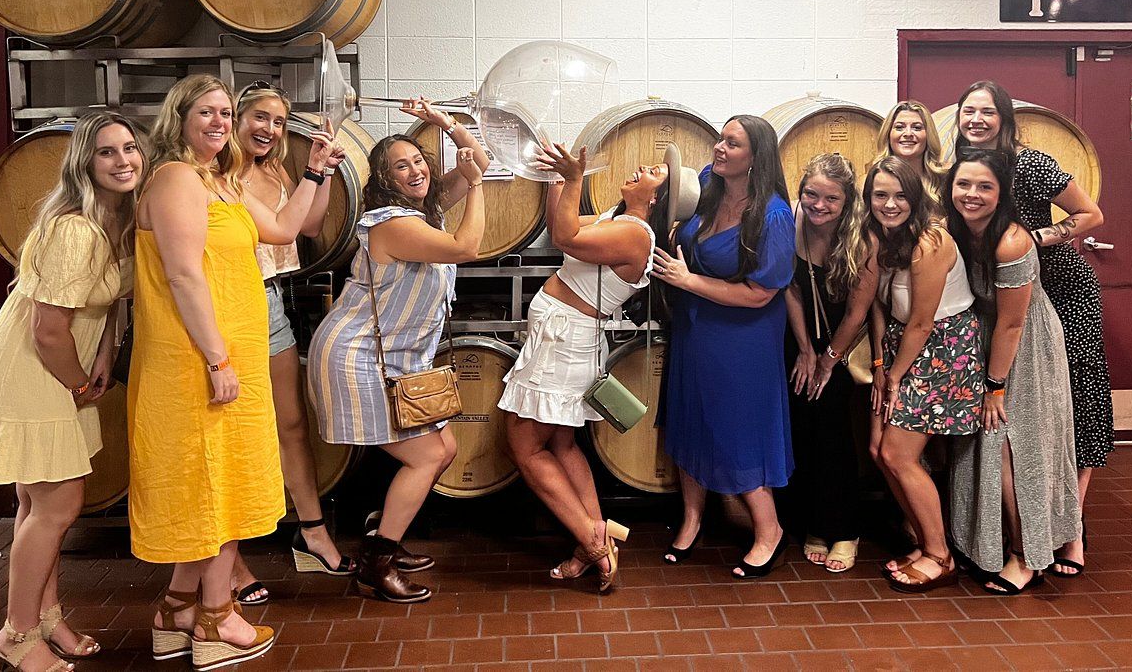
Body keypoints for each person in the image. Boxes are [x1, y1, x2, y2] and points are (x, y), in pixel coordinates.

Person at [131, 75, 334, 669]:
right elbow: (184, 275)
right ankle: (217, 619)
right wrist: (217, 358)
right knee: (215, 482)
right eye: (208, 112)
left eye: (225, 112)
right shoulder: (174, 179)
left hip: (231, 352)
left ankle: (176, 610)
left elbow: (282, 230)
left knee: (226, 476)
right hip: (198, 357)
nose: (220, 122)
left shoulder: (217, 181)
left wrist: (317, 169)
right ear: (180, 116)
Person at [0, 113, 144, 672]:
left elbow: (103, 302)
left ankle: (46, 616)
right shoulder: (74, 228)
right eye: (106, 152)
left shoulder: (112, 223)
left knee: (37, 503)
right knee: (60, 503)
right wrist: (78, 382)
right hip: (34, 368)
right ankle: (15, 636)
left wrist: (104, 355)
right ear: (84, 164)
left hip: (59, 367)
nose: (123, 160)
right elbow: (47, 329)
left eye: (130, 148)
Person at [307, 101, 488, 604]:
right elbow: (466, 248)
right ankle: (376, 562)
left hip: (389, 359)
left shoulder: (422, 211)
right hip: (356, 355)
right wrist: (472, 188)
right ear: (384, 180)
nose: (417, 170)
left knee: (444, 450)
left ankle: (383, 535)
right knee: (427, 455)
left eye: (420, 160)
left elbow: (482, 160)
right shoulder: (390, 222)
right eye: (401, 165)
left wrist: (444, 125)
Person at [500, 142, 696, 593]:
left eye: (655, 173)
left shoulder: (635, 234)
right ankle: (597, 540)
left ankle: (592, 544)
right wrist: (558, 178)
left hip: (562, 344)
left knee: (524, 447)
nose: (644, 167)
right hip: (564, 339)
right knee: (563, 445)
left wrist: (574, 180)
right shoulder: (620, 222)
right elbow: (560, 228)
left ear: (655, 200)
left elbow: (568, 240)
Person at [956, 80, 1109, 577]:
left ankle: (1072, 530)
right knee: (1023, 419)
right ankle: (1025, 531)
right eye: (969, 111)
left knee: (1072, 408)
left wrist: (1039, 238)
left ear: (1005, 119)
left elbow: (1092, 213)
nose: (977, 120)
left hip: (1058, 287)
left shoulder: (1032, 163)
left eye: (987, 112)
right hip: (1004, 292)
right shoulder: (960, 168)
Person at [822, 156, 982, 594]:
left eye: (899, 195)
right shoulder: (879, 237)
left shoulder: (930, 241)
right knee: (877, 449)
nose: (890, 204)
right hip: (898, 349)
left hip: (941, 352)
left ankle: (940, 555)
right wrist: (878, 364)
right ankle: (924, 539)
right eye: (880, 195)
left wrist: (893, 376)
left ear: (915, 197)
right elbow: (876, 308)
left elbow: (923, 323)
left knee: (898, 455)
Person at [653, 115, 796, 579]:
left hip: (743, 337)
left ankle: (769, 530)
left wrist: (689, 280)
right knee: (690, 417)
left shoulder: (773, 215)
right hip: (697, 327)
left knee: (737, 429)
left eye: (732, 144)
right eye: (721, 139)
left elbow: (761, 294)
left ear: (756, 158)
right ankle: (693, 517)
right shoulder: (706, 183)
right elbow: (679, 217)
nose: (719, 148)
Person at [228, 83, 352, 607]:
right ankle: (229, 561)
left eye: (279, 122)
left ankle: (312, 528)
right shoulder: (219, 175)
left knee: (292, 422)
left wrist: (319, 170)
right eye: (260, 117)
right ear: (236, 116)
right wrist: (312, 174)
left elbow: (313, 223)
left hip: (272, 301)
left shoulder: (275, 168)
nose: (270, 130)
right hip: (231, 303)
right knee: (235, 431)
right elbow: (277, 230)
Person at [945, 148, 1081, 593]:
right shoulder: (957, 230)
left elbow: (1013, 321)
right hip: (987, 336)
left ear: (1002, 193)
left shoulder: (1012, 240)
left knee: (1009, 444)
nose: (972, 194)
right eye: (964, 184)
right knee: (984, 448)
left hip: (1023, 347)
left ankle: (1027, 557)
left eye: (985, 186)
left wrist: (995, 387)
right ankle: (987, 545)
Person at [779, 153, 867, 574]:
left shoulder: (862, 238)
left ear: (847, 201)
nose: (819, 205)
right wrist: (805, 350)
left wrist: (828, 359)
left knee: (833, 427)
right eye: (811, 194)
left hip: (845, 344)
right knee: (801, 425)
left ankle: (846, 529)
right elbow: (790, 290)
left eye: (831, 198)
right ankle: (814, 523)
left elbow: (857, 313)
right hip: (801, 340)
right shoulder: (795, 221)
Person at [870, 100, 951, 208]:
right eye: (899, 127)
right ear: (888, 135)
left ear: (928, 135)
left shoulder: (945, 178)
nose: (908, 133)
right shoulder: (871, 180)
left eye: (917, 128)